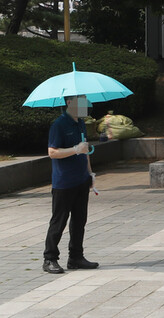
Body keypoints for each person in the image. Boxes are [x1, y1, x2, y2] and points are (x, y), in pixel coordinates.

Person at [43, 96, 99, 274]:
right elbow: (52, 152)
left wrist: (90, 173)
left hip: (81, 179)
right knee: (59, 221)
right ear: (69, 102)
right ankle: (49, 259)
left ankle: (76, 257)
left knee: (79, 220)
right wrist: (74, 149)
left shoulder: (81, 123)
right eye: (81, 100)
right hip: (64, 182)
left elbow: (85, 151)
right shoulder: (59, 125)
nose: (85, 104)